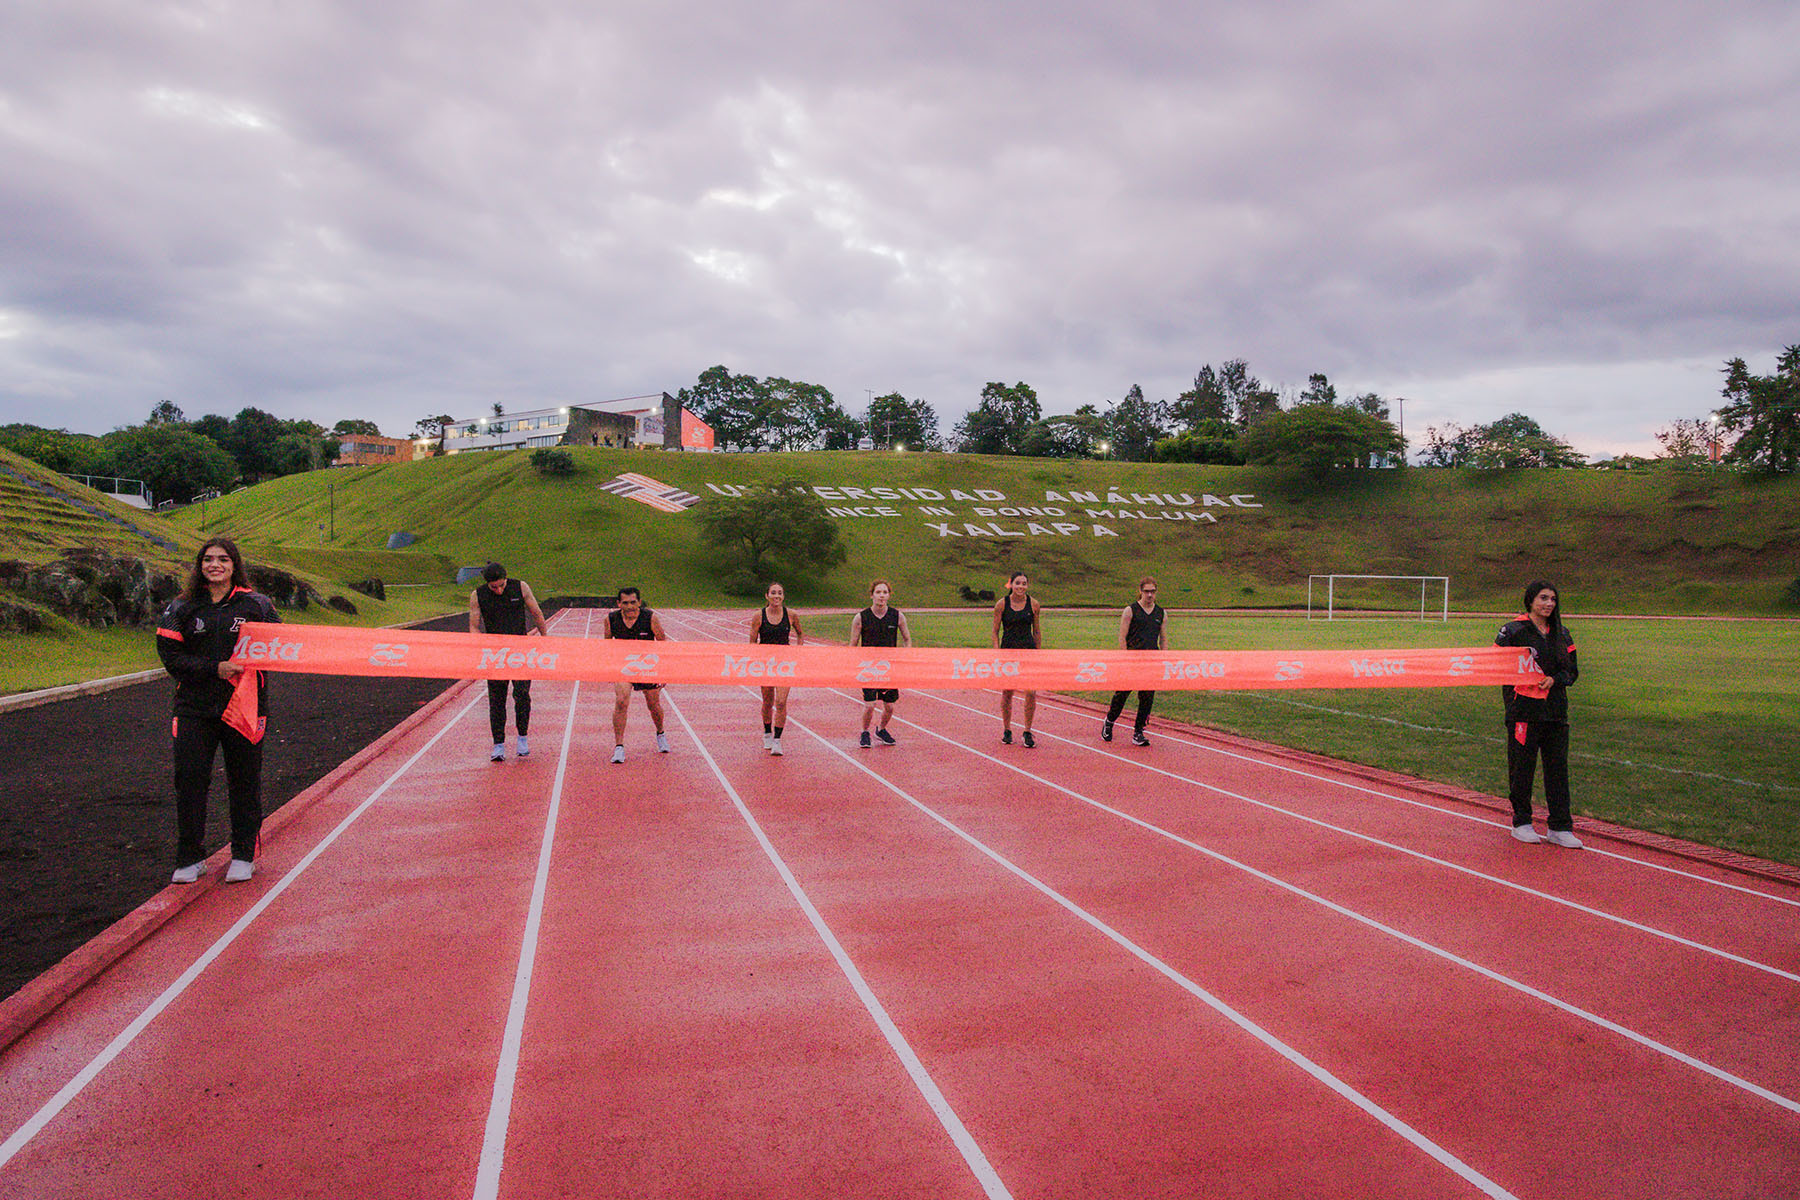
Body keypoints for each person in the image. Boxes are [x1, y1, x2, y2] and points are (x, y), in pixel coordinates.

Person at [155, 537, 280, 884]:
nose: (215, 565)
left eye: (223, 559)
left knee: (244, 781)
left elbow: (279, 645)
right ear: (199, 566)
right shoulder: (182, 607)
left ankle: (243, 855)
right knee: (190, 781)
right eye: (208, 559)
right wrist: (215, 668)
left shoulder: (257, 604)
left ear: (234, 565)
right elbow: (170, 656)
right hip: (193, 708)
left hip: (244, 707)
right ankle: (190, 858)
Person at [1496, 580, 1582, 848]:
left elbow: (1572, 672)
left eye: (1553, 599)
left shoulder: (1562, 633)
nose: (1548, 604)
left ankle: (1560, 826)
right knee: (1522, 768)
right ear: (1531, 600)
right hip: (1524, 711)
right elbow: (1497, 665)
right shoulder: (1513, 631)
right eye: (1543, 598)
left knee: (1557, 769)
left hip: (1555, 712)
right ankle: (1522, 822)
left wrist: (1555, 680)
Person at [469, 562, 550, 762]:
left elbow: (536, 613)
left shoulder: (520, 587)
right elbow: (474, 626)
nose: (498, 590)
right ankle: (498, 744)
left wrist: (545, 638)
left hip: (520, 653)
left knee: (522, 694)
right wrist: (480, 647)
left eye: (501, 585)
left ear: (506, 579)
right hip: (495, 655)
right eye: (494, 587)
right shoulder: (477, 595)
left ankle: (522, 738)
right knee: (497, 699)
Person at [604, 586, 669, 763]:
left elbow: (663, 643)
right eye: (625, 603)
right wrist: (609, 668)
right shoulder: (610, 619)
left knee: (653, 705)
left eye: (633, 602)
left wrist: (663, 671)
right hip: (623, 666)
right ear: (619, 604)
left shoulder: (650, 617)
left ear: (639, 602)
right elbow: (606, 645)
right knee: (621, 701)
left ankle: (660, 732)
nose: (630, 606)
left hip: (647, 665)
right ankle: (619, 747)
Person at [1104, 576, 1166, 747]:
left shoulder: (1161, 613)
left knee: (1147, 697)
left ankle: (1138, 731)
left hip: (1151, 662)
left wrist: (1164, 658)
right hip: (1132, 660)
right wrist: (1124, 658)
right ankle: (1109, 721)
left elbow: (1163, 639)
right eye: (1146, 591)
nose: (1150, 595)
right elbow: (1122, 636)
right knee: (1122, 694)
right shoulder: (1130, 610)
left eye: (1153, 591)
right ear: (1140, 591)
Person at [849, 579, 911, 748]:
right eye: (878, 592)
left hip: (889, 668)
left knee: (890, 706)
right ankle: (864, 732)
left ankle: (881, 729)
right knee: (869, 705)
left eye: (885, 592)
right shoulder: (861, 617)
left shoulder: (897, 616)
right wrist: (853, 665)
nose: (882, 595)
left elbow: (907, 640)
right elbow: (853, 645)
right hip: (868, 668)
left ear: (889, 595)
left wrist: (904, 657)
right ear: (872, 595)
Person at [748, 582, 805, 756]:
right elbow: (752, 641)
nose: (777, 596)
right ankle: (767, 732)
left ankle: (778, 740)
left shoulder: (791, 615)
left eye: (780, 593)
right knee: (767, 701)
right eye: (773, 593)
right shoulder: (759, 616)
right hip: (765, 664)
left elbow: (800, 633)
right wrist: (755, 661)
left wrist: (798, 651)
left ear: (783, 596)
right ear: (767, 596)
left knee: (781, 702)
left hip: (785, 664)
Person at [991, 570, 1042, 747]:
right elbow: (995, 632)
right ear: (1011, 584)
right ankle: (1007, 729)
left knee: (1031, 692)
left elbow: (1036, 630)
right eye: (1017, 583)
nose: (1021, 586)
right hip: (1008, 653)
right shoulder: (1002, 604)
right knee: (1007, 691)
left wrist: (1038, 652)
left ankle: (1027, 731)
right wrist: (997, 653)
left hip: (1028, 652)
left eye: (1024, 583)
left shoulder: (1034, 604)